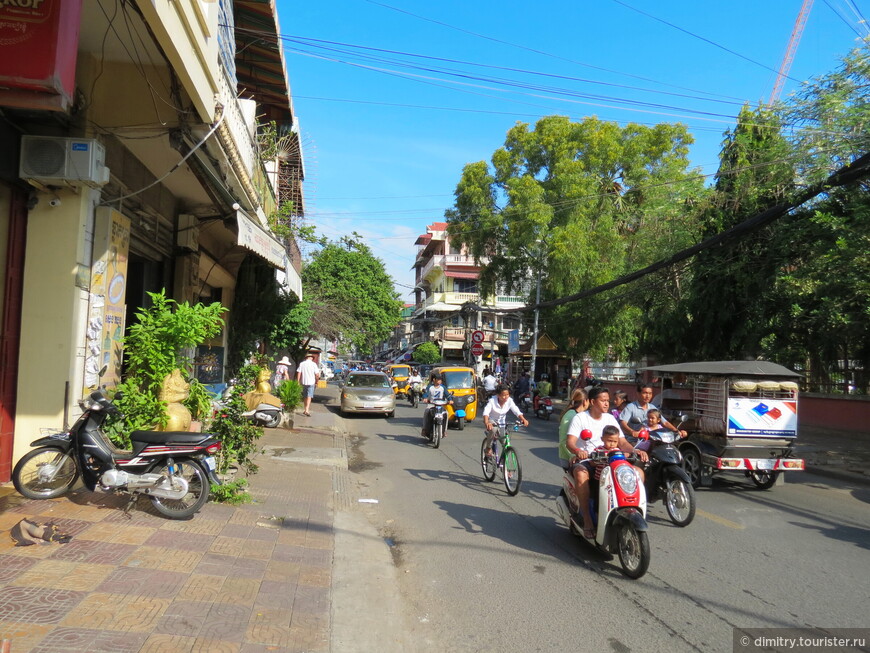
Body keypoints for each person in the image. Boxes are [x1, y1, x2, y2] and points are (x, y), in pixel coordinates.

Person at [565, 386, 648, 538]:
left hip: (612, 460)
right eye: (602, 401)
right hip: (589, 460)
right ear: (591, 401)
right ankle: (588, 519)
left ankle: (631, 510)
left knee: (638, 473)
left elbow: (622, 442)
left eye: (607, 401)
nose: (606, 404)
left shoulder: (610, 419)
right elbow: (570, 442)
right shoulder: (580, 418)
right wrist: (578, 451)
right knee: (581, 474)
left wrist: (635, 451)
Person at [619, 384, 685, 439]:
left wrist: (676, 431)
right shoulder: (630, 407)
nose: (648, 396)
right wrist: (632, 432)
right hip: (635, 440)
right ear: (638, 394)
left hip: (653, 439)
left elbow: (664, 422)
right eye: (645, 393)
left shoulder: (652, 407)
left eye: (650, 393)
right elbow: (623, 423)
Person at [482, 384, 529, 457]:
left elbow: (516, 410)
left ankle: (503, 463)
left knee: (504, 442)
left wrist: (523, 419)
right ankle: (488, 448)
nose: (505, 397)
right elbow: (486, 412)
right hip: (492, 420)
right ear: (498, 395)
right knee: (493, 429)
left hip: (502, 423)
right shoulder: (492, 401)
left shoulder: (509, 401)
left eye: (507, 394)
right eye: (503, 395)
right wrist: (487, 422)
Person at [558, 388, 589, 467]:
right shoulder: (571, 416)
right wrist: (573, 455)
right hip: (569, 457)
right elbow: (564, 441)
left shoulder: (580, 415)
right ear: (585, 401)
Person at [421, 374, 452, 439]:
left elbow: (448, 395)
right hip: (431, 404)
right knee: (426, 412)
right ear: (434, 380)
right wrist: (425, 398)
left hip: (440, 404)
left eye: (440, 380)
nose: (440, 381)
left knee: (446, 413)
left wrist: (450, 400)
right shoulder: (430, 387)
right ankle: (424, 429)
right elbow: (425, 394)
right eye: (438, 379)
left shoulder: (443, 387)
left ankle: (444, 431)